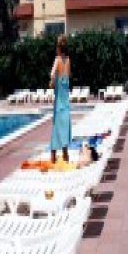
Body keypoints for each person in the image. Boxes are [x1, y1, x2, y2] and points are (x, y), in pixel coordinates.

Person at [49, 34, 72, 164]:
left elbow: (52, 74)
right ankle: (65, 154)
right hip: (66, 100)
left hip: (59, 101)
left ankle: (53, 156)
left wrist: (52, 82)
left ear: (58, 48)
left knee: (56, 126)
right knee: (65, 125)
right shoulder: (68, 60)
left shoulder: (57, 60)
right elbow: (67, 78)